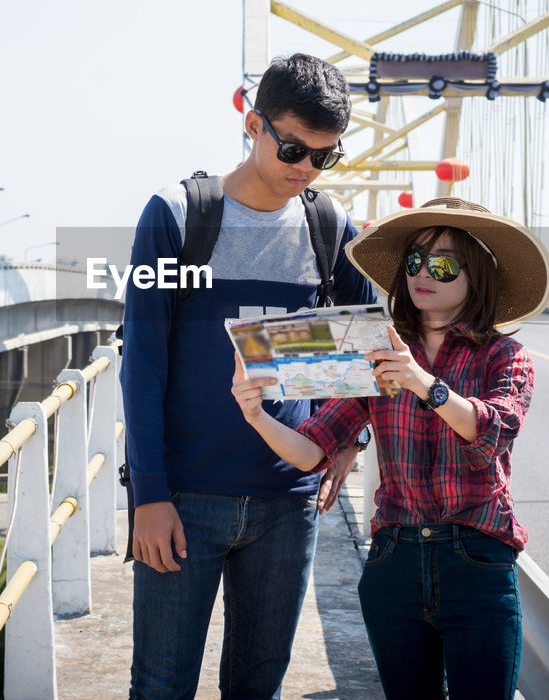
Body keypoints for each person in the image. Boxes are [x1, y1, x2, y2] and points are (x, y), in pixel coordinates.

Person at [121, 53, 375, 699]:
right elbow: (141, 364)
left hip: (289, 506)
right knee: (160, 686)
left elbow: (372, 338)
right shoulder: (175, 218)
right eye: (293, 147)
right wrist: (148, 496)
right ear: (252, 122)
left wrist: (352, 436)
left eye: (324, 157)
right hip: (185, 500)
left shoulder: (329, 228)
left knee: (258, 689)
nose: (306, 169)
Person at [232, 197, 549, 700]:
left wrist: (424, 384)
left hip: (476, 561)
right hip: (394, 563)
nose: (424, 274)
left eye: (444, 265)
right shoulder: (375, 353)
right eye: (414, 262)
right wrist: (255, 415)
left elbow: (493, 431)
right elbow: (311, 450)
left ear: (478, 278)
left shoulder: (504, 354)